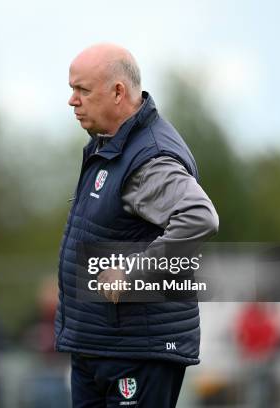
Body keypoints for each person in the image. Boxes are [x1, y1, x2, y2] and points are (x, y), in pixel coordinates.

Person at [56, 44, 219, 407]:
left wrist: (134, 272)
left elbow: (199, 217)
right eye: (72, 89)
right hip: (97, 346)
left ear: (118, 92)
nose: (72, 100)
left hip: (135, 351)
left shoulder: (150, 156)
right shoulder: (109, 145)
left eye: (83, 90)